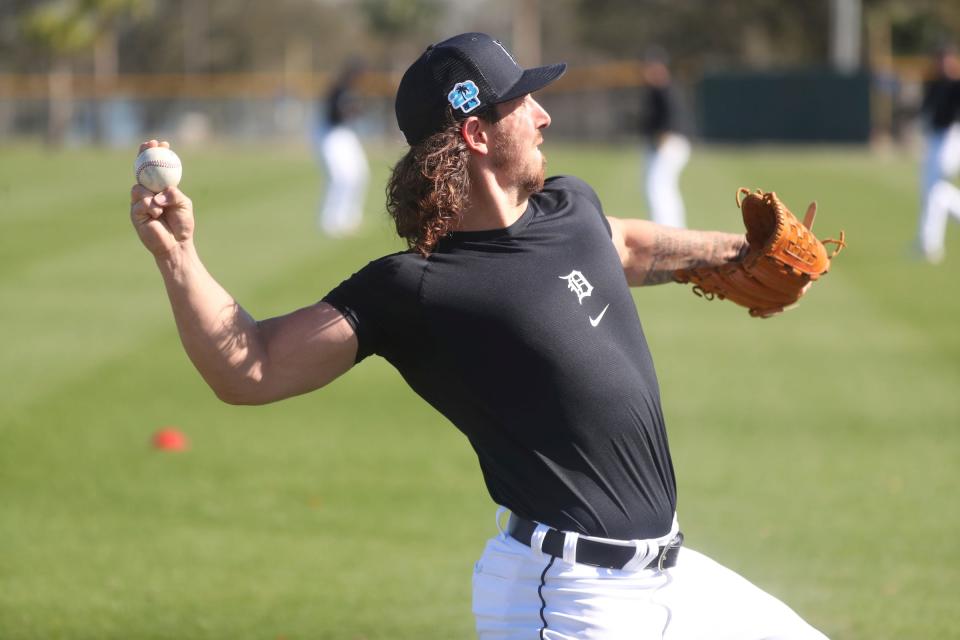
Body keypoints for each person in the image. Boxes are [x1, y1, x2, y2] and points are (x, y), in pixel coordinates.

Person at [130, 32, 828, 639]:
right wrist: (177, 256)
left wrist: (737, 252)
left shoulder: (568, 205)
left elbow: (626, 246)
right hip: (572, 599)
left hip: (678, 578)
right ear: (475, 132)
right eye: (524, 104)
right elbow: (251, 368)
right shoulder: (417, 288)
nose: (544, 114)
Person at [313, 59, 369, 236]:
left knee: (360, 174)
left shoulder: (353, 91)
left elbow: (357, 113)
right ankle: (330, 220)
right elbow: (333, 115)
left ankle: (349, 218)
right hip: (330, 133)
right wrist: (349, 111)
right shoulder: (338, 89)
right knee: (340, 177)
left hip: (345, 133)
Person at [916, 43, 960, 262]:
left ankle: (928, 244)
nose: (943, 64)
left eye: (946, 59)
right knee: (934, 193)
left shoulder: (956, 84)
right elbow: (925, 110)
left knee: (936, 192)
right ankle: (927, 243)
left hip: (952, 138)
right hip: (935, 138)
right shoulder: (934, 84)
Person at [640, 47, 690, 229]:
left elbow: (671, 117)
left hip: (669, 143)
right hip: (664, 144)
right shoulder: (655, 90)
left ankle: (667, 230)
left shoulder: (665, 89)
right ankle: (673, 229)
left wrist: (663, 138)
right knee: (661, 187)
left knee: (657, 187)